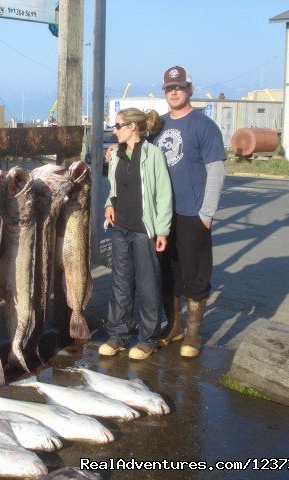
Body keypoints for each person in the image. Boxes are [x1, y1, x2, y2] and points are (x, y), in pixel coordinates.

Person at [152, 66, 226, 358]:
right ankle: (174, 325)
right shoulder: (158, 125)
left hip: (193, 212)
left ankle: (194, 331)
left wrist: (206, 214)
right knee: (168, 273)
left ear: (190, 89)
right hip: (163, 215)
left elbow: (217, 171)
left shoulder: (203, 125)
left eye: (180, 87)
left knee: (196, 275)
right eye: (170, 88)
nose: (174, 92)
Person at [98, 108, 173, 360]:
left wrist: (162, 230)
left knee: (147, 283)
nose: (114, 130)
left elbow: (163, 194)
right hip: (120, 227)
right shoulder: (116, 154)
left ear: (133, 127)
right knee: (120, 282)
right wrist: (109, 203)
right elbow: (114, 188)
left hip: (144, 229)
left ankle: (148, 339)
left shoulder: (153, 155)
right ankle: (118, 335)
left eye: (118, 125)